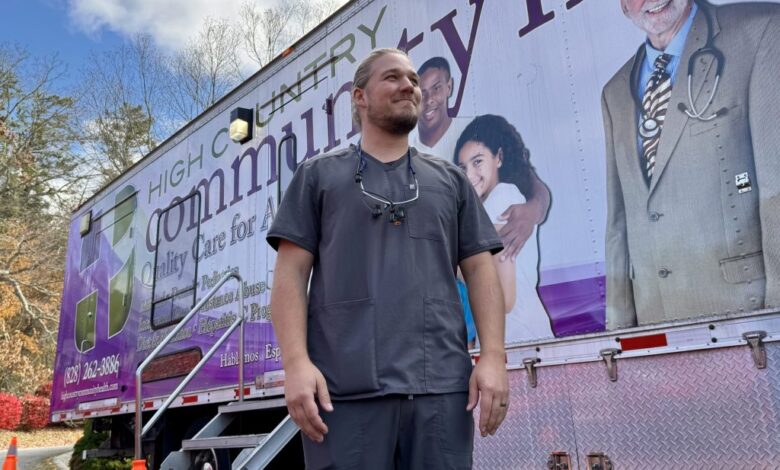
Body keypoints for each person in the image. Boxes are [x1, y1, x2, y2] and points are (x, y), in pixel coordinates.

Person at [267, 48, 510, 469]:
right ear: (360, 97)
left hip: (440, 390)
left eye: (413, 80)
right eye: (393, 78)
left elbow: (480, 269)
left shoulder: (451, 181)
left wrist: (492, 356)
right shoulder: (318, 177)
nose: (409, 87)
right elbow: (290, 275)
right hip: (344, 394)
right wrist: (296, 365)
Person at [602, 0, 780, 329]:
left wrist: (775, 319)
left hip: (749, 320)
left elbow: (776, 190)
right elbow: (619, 224)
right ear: (623, 5)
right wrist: (620, 336)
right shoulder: (614, 92)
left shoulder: (761, 29)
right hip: (659, 326)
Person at [411, 56, 552, 262]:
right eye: (421, 93)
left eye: (436, 88)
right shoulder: (405, 158)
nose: (429, 99)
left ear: (449, 87)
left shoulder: (478, 131)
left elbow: (530, 181)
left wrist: (532, 212)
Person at [455, 115, 554, 342]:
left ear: (498, 157)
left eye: (477, 161)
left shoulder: (502, 198)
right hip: (509, 337)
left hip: (518, 338)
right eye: (463, 167)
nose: (469, 175)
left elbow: (503, 296)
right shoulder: (490, 204)